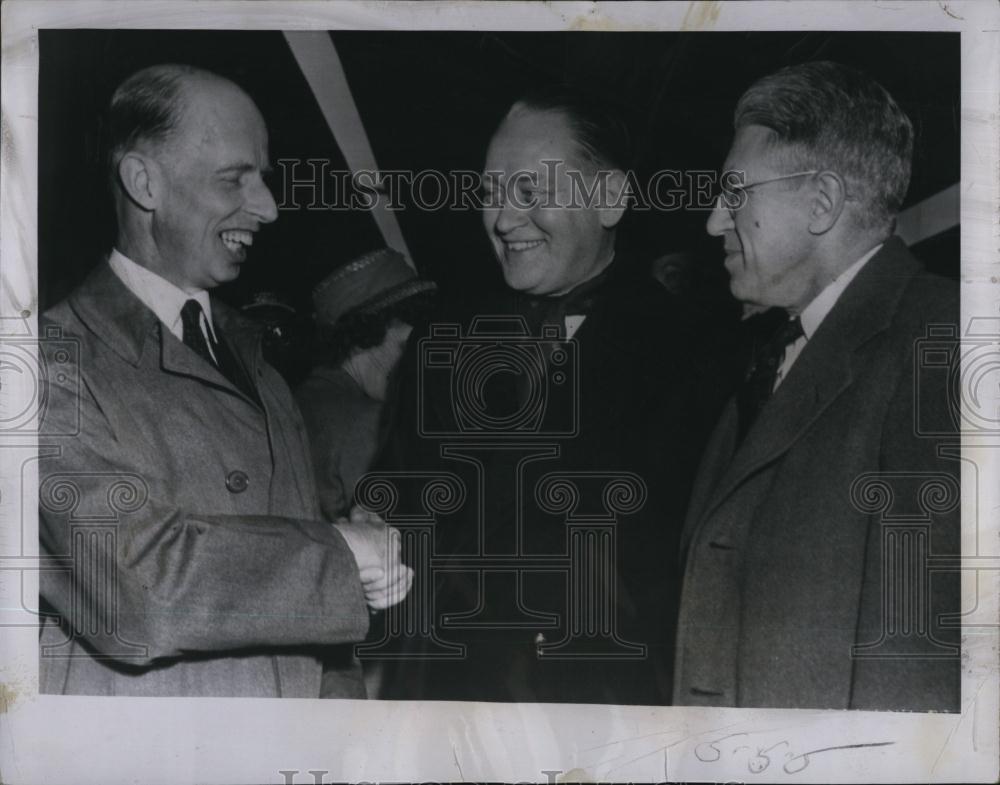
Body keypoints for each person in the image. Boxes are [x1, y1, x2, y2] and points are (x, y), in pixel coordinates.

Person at [37, 63, 412, 698]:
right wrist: (340, 552)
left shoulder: (257, 362)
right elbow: (137, 593)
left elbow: (322, 641)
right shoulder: (44, 363)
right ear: (144, 183)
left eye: (262, 179)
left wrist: (345, 723)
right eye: (234, 179)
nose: (267, 207)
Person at [376, 85, 736, 704]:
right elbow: (398, 501)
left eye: (528, 191)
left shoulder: (698, 354)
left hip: (596, 711)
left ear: (610, 199)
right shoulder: (441, 339)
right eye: (491, 193)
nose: (502, 219)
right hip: (443, 697)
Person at [673, 61, 960, 711]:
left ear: (822, 203)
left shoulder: (940, 339)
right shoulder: (771, 354)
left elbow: (916, 666)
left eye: (736, 193)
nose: (714, 222)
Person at [296, 247, 437, 520]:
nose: (414, 366)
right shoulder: (370, 422)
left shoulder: (297, 400)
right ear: (364, 336)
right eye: (406, 346)